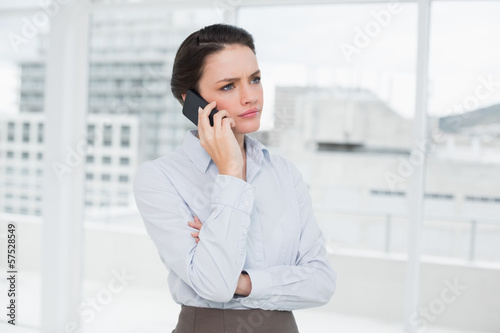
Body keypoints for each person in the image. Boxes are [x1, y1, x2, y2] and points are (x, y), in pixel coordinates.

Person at [133, 23, 336, 333]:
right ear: (192, 102)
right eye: (228, 86)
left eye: (254, 80)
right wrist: (231, 174)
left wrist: (242, 282)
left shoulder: (283, 172)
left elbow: (321, 283)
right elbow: (214, 285)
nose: (250, 97)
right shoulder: (160, 178)